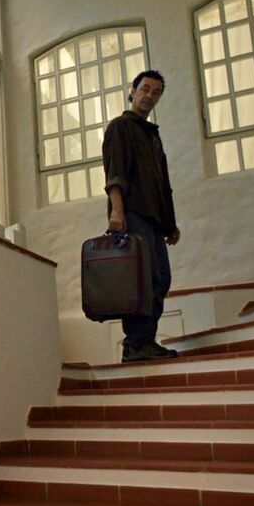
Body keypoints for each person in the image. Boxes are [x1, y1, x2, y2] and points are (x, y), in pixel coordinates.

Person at [102, 70, 180, 363]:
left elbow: (163, 184)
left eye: (156, 92)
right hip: (132, 215)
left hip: (153, 220)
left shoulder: (152, 135)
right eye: (145, 89)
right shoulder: (121, 127)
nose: (149, 95)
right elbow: (115, 173)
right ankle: (136, 344)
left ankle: (143, 341)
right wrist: (118, 211)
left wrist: (170, 225)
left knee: (161, 279)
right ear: (132, 91)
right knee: (142, 281)